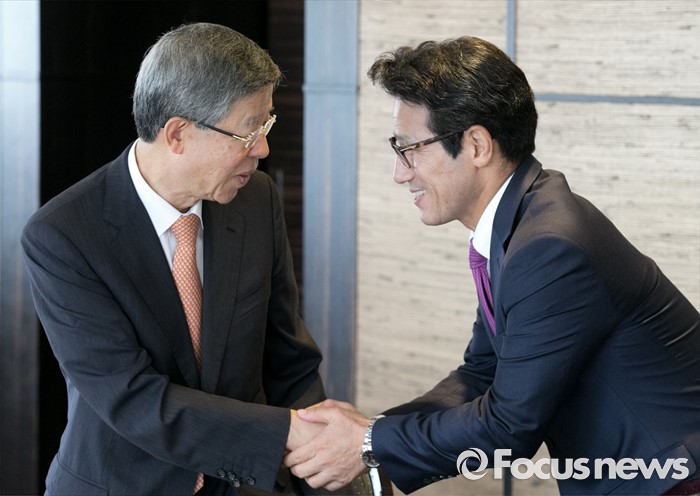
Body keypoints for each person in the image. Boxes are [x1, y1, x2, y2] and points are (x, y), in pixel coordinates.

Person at [284, 36, 700, 495]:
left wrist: (368, 444)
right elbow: (482, 373)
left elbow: (508, 426)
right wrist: (373, 432)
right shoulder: (519, 224)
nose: (400, 173)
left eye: (410, 149)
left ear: (477, 145)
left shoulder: (549, 248)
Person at [22, 22, 329, 496]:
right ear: (179, 134)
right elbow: (133, 399)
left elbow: (288, 360)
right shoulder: (63, 235)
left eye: (266, 124)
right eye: (249, 130)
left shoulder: (257, 199)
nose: (263, 148)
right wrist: (286, 435)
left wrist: (322, 469)